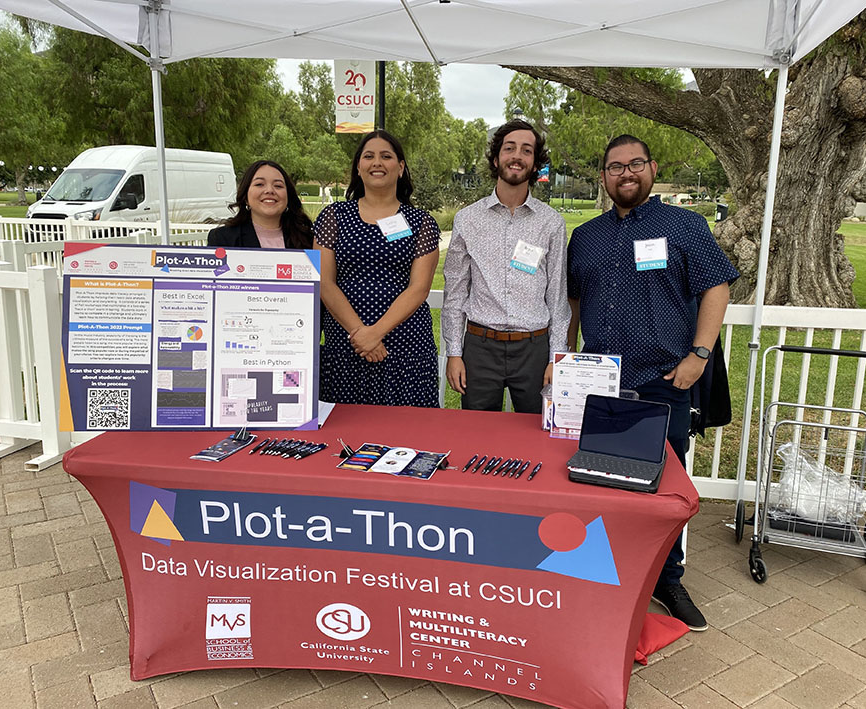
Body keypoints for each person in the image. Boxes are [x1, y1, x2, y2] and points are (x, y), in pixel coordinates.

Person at [567, 134, 739, 632]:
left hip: (664, 380)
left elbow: (716, 287)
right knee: (601, 481)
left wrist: (699, 356)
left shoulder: (684, 226)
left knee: (664, 488)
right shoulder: (587, 236)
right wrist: (568, 357)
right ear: (603, 176)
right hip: (601, 383)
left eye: (635, 164)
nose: (626, 174)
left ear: (651, 168)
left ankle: (668, 579)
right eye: (615, 166)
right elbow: (576, 302)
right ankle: (608, 573)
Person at [442, 119, 570, 413]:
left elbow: (558, 297)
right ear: (496, 156)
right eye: (509, 148)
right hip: (480, 347)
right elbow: (455, 292)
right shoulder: (468, 219)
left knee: (536, 435)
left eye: (527, 150)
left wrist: (556, 357)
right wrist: (454, 353)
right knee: (476, 435)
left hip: (534, 349)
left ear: (535, 162)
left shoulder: (551, 223)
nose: (517, 156)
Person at [313, 130, 440, 407]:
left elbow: (419, 288)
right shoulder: (334, 217)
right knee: (344, 433)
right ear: (358, 167)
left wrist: (376, 332)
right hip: (347, 343)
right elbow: (324, 281)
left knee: (407, 434)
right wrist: (360, 333)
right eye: (368, 156)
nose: (377, 163)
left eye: (387, 156)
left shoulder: (420, 222)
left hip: (405, 346)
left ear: (401, 167)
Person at [208, 160, 313, 250]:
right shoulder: (222, 238)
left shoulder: (309, 238)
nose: (269, 191)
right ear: (246, 196)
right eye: (259, 184)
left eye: (278, 185)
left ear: (288, 196)